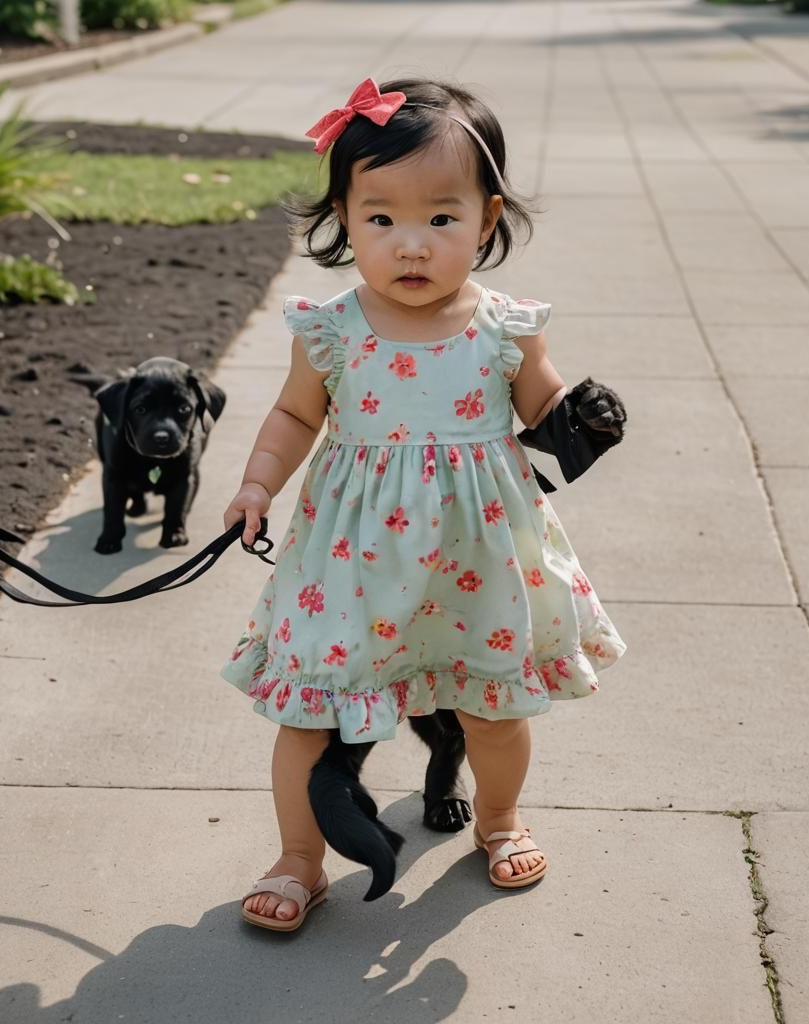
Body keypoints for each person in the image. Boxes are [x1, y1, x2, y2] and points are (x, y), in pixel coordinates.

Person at [221, 77, 626, 931]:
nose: (412, 245)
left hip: (479, 559)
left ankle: (500, 817)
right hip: (351, 563)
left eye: (441, 219)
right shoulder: (331, 328)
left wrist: (582, 414)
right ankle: (300, 857)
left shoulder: (506, 326)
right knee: (313, 708)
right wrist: (258, 483)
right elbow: (298, 414)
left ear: (487, 219)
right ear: (344, 217)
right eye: (381, 219)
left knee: (493, 705)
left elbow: (543, 409)